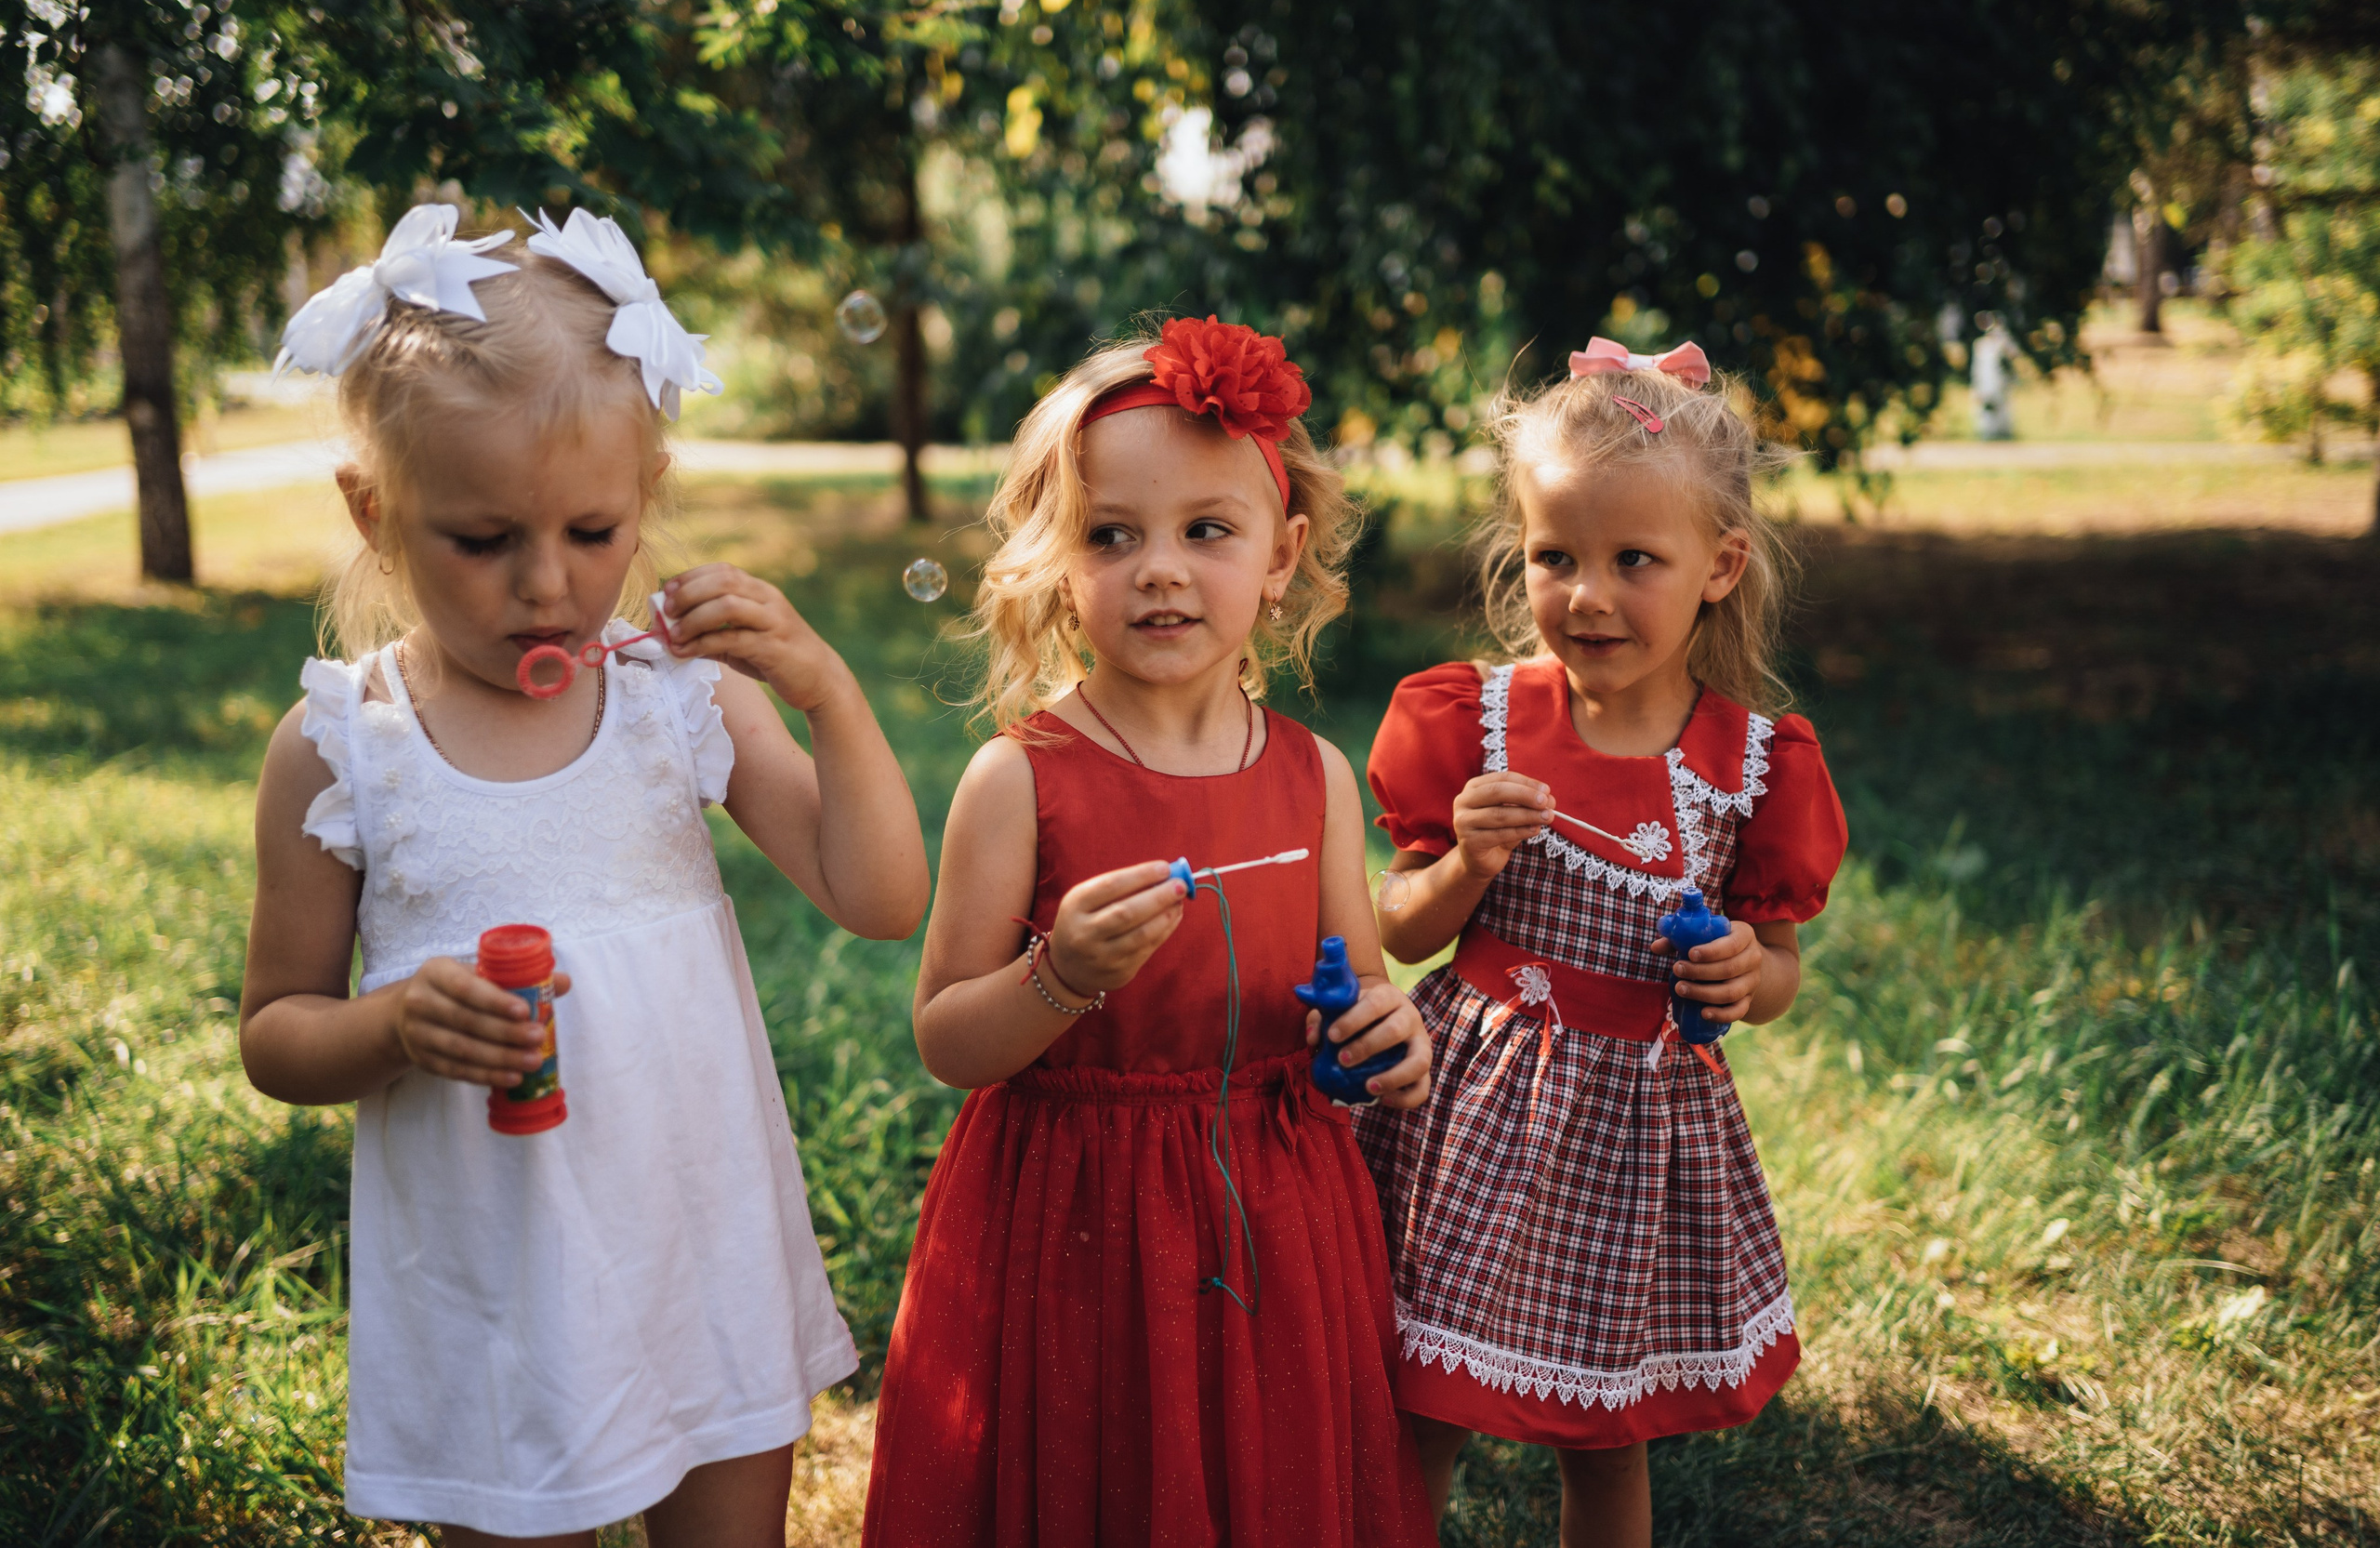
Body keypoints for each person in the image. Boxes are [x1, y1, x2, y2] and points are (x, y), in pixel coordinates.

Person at [237, 204, 929, 1547]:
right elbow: (277, 1036)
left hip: (698, 1245)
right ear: (375, 514)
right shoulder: (343, 751)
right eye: (482, 540)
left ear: (647, 496)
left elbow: (882, 897)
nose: (547, 585)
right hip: (496, 1294)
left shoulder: (686, 700)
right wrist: (387, 1030)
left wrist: (828, 696)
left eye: (594, 532)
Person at [862, 318, 1438, 1546]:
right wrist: (1057, 977)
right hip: (1071, 1226)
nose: (1159, 568)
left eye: (1205, 531)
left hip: (1275, 1217)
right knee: (1098, 1480)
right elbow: (947, 1040)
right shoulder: (1019, 779)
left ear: (1280, 559)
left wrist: (1392, 1039)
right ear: (1053, 564)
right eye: (1110, 535)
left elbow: (1358, 997)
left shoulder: (1317, 777)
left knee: (1259, 1480)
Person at [1357, 338, 1848, 1547]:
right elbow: (1396, 927)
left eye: (1636, 560)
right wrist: (1468, 862)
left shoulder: (1753, 764)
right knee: (1419, 1398)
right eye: (1554, 557)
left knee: (1605, 1434)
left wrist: (1750, 970)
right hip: (1464, 1113)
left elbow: (1778, 973)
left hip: (1632, 1139)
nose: (1588, 595)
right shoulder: (1474, 722)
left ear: (1719, 565)